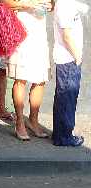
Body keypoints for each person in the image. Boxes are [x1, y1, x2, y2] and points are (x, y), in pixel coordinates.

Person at [1, 0, 52, 141]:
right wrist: (28, 4)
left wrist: (50, 5)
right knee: (20, 79)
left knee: (40, 80)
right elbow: (5, 3)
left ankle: (33, 120)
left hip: (40, 36)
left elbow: (52, 5)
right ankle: (19, 122)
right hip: (21, 34)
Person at [52, 0, 87, 147]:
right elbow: (66, 35)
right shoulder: (64, 5)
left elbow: (84, 8)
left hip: (69, 59)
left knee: (66, 97)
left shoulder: (68, 3)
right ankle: (64, 137)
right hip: (68, 59)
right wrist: (77, 56)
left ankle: (61, 134)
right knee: (67, 98)